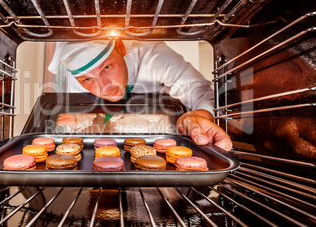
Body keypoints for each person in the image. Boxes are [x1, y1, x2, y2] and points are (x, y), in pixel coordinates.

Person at [48, 40, 232, 151]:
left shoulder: (156, 57)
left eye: (107, 67)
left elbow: (202, 93)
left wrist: (198, 116)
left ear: (120, 46)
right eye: (87, 80)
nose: (103, 87)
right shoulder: (74, 79)